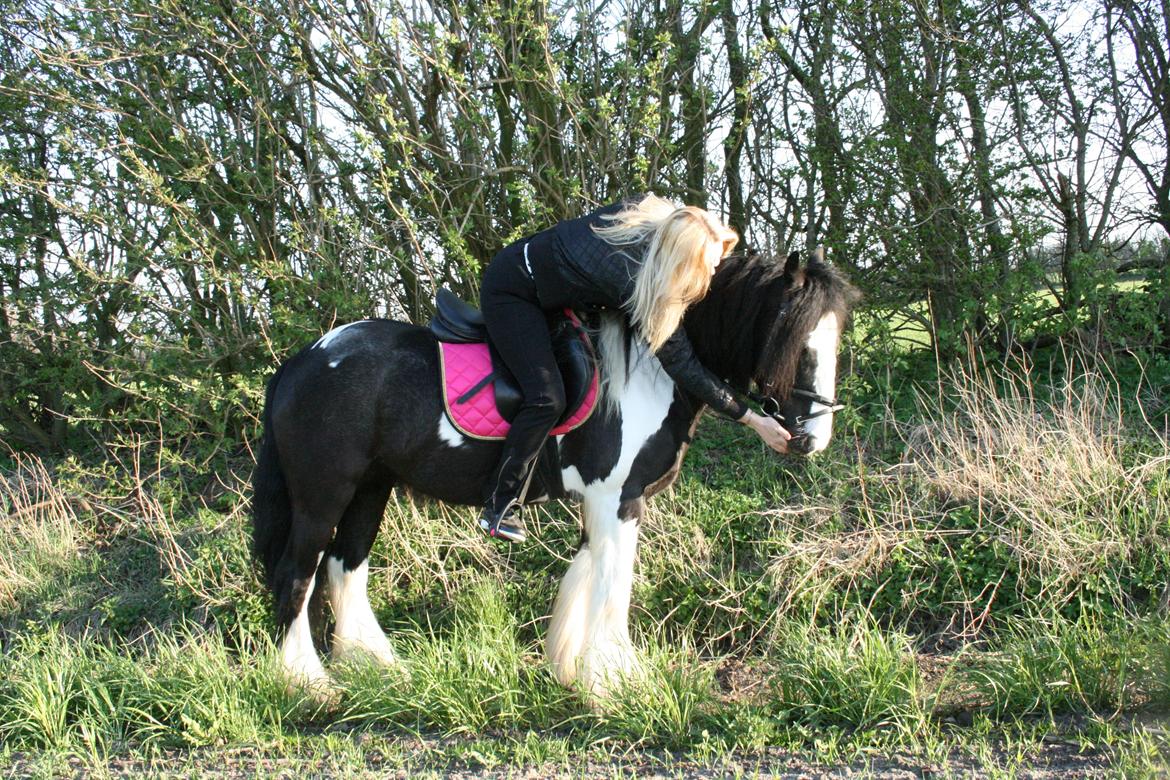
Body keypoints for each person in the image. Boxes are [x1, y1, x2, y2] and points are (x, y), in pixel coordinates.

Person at [478, 194, 791, 542]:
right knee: (547, 397)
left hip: (561, 293)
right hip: (515, 292)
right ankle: (500, 504)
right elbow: (681, 362)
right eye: (707, 267)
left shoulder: (657, 220)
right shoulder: (629, 274)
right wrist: (750, 418)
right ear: (680, 259)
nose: (711, 274)